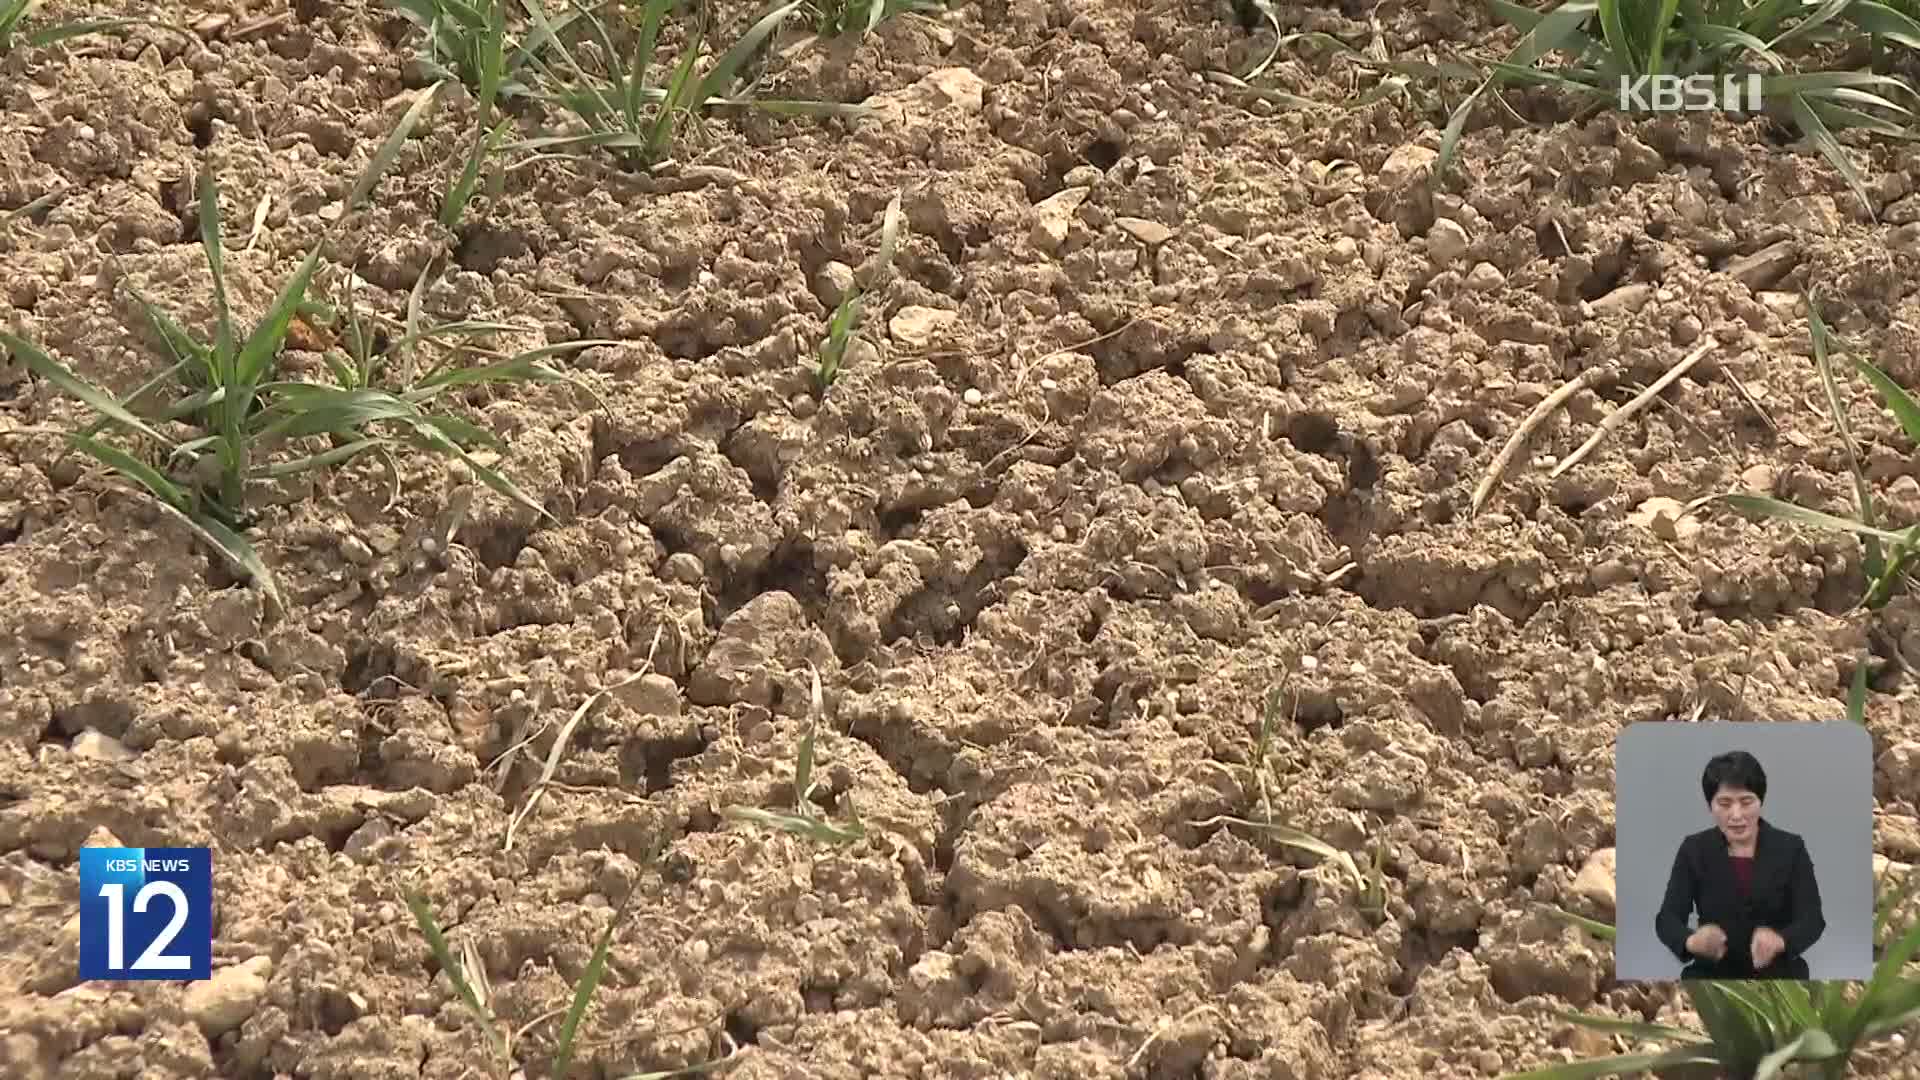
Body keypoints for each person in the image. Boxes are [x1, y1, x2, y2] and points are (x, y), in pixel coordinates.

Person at [1654, 750, 1825, 979]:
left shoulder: (1791, 848)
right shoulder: (1694, 849)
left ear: (1760, 801)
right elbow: (1667, 918)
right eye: (1724, 803)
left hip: (1779, 976)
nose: (1736, 815)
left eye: (1746, 802)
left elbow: (1812, 919)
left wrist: (1780, 941)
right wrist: (1692, 940)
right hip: (1712, 975)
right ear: (1710, 805)